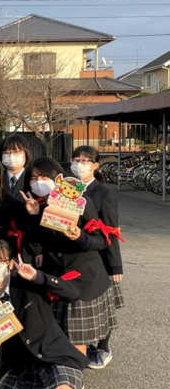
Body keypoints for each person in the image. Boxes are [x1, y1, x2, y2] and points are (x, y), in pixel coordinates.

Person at [0, 241, 89, 389]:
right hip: (16, 365)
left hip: (50, 355)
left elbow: (73, 294)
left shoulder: (27, 283)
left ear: (10, 264)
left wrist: (38, 277)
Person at [20, 157, 112, 357]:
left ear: (57, 178)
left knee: (77, 337)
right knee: (60, 334)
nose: (38, 181)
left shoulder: (80, 202)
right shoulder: (36, 204)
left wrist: (80, 237)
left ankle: (75, 381)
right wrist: (35, 216)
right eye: (33, 178)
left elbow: (101, 240)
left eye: (44, 176)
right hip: (56, 279)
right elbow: (37, 244)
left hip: (83, 278)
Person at [69, 145, 124, 369]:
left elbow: (111, 229)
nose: (80, 164)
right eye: (76, 159)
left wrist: (115, 266)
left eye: (85, 160)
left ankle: (103, 347)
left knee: (104, 306)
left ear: (95, 165)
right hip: (77, 255)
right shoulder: (67, 188)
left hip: (99, 256)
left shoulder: (103, 192)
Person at [0, 134, 32, 200]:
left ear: (25, 153)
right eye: (7, 152)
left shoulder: (32, 179)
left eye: (16, 152)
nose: (11, 156)